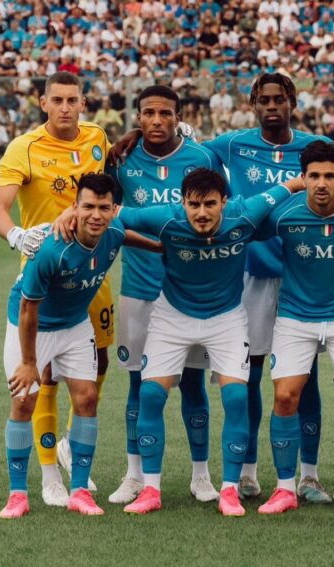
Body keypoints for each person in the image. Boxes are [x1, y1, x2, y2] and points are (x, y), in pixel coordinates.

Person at [110, 74, 334, 502]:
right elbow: (173, 156)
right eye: (264, 99)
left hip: (299, 273)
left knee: (304, 378)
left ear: (292, 101)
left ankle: (308, 475)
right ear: (252, 102)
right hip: (241, 275)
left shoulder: (311, 146)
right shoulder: (228, 145)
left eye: (280, 99)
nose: (272, 106)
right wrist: (137, 132)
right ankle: (243, 472)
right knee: (238, 381)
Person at [105, 169, 304, 517]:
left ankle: (228, 490)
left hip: (226, 318)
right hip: (172, 316)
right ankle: (151, 488)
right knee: (151, 394)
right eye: (194, 204)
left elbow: (292, 185)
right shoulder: (165, 219)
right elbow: (115, 212)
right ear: (182, 203)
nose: (201, 213)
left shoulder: (245, 214)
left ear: (224, 202)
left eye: (210, 204)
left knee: (237, 397)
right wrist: (69, 213)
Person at [0, 72, 112, 507]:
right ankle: (48, 476)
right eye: (56, 100)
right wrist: (18, 237)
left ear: (83, 103)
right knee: (42, 381)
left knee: (95, 374)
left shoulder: (97, 137)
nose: (65, 107)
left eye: (72, 100)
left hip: (93, 273)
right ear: (43, 103)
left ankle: (67, 446)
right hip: (46, 273)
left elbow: (114, 185)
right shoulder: (24, 148)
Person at [105, 85, 224, 505]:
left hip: (191, 291)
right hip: (139, 290)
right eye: (148, 113)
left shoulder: (202, 157)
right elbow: (110, 216)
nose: (157, 121)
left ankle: (201, 475)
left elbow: (220, 210)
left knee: (193, 384)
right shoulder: (121, 158)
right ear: (138, 117)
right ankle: (135, 474)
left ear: (178, 117)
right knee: (140, 385)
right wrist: (149, 244)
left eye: (165, 113)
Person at [255, 141, 334, 516]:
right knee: (285, 398)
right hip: (295, 316)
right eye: (314, 176)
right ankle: (284, 488)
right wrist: (287, 188)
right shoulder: (284, 215)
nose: (321, 183)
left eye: (330, 176)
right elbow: (244, 219)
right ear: (303, 178)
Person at [0, 174, 126, 519]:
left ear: (115, 209)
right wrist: (29, 362)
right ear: (74, 207)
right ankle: (18, 494)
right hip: (31, 328)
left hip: (74, 325)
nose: (95, 215)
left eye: (103, 207)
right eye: (87, 207)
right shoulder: (52, 249)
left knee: (87, 398)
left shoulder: (114, 234)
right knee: (24, 402)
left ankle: (80, 491)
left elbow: (136, 236)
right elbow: (28, 309)